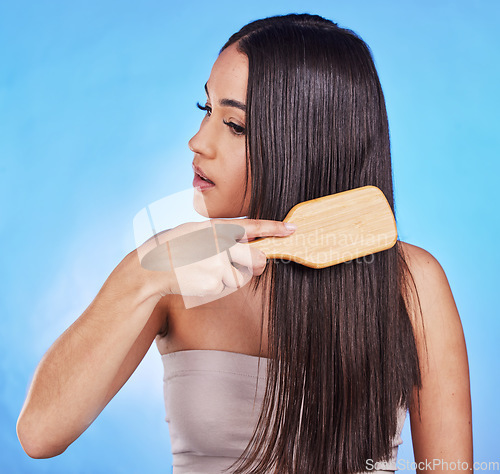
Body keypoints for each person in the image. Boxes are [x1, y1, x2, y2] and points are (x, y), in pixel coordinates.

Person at [17, 13, 472, 474]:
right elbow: (39, 434)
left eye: (234, 125)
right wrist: (144, 275)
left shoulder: (412, 284)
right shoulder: (172, 268)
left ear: (307, 143)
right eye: (206, 110)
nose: (197, 142)